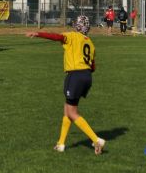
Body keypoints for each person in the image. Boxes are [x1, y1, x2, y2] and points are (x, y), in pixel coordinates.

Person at [26, 15, 105, 155]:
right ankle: (61, 144)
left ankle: (96, 140)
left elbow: (57, 37)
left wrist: (37, 33)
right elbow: (93, 67)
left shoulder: (73, 36)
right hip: (87, 77)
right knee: (67, 109)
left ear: (78, 26)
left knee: (72, 112)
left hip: (75, 75)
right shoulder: (91, 43)